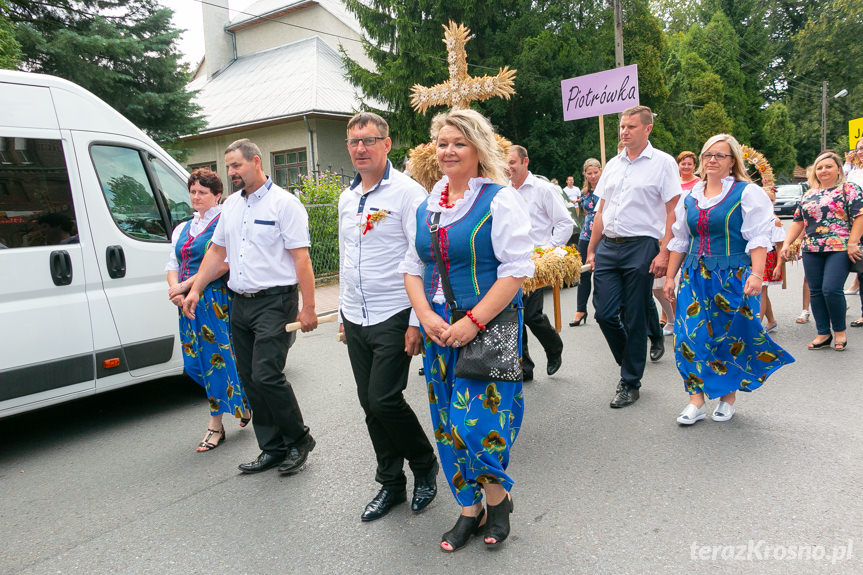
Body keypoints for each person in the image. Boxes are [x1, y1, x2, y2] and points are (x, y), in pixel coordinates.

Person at [400, 108, 534, 551]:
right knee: (446, 425)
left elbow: (516, 271)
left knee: (477, 424)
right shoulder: (428, 203)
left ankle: (497, 499)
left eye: (459, 142)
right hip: (440, 330)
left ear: (478, 149)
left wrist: (472, 322)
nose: (448, 151)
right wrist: (427, 318)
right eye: (442, 143)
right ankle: (469, 507)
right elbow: (412, 267)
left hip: (489, 325)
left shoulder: (498, 199)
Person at [183, 138, 319, 475]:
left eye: (236, 166)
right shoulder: (230, 206)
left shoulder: (284, 204)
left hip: (275, 301)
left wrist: (309, 308)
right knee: (249, 378)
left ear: (256, 162)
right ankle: (272, 447)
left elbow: (301, 259)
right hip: (238, 303)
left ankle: (299, 440)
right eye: (228, 167)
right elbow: (217, 253)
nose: (231, 172)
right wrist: (196, 288)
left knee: (267, 375)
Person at [337, 112, 439, 522]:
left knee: (383, 398)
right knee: (368, 402)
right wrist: (343, 315)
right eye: (354, 142)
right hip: (355, 313)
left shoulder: (409, 194)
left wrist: (418, 321)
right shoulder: (347, 197)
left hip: (394, 312)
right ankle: (391, 483)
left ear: (387, 144)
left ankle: (423, 463)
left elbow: (424, 259)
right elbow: (348, 257)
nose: (360, 148)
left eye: (369, 140)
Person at [664, 134, 794, 425]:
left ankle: (727, 396)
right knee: (689, 336)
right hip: (694, 274)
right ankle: (696, 400)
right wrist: (670, 277)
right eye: (707, 154)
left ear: (732, 161)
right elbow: (680, 240)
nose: (712, 159)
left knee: (728, 337)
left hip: (731, 276)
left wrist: (757, 274)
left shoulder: (746, 193)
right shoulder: (691, 196)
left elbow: (759, 237)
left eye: (719, 155)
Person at [585, 106, 681, 408]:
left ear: (647, 129)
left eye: (630, 126)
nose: (624, 131)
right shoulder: (613, 164)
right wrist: (592, 247)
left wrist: (664, 251)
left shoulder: (663, 163)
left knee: (635, 314)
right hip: (608, 246)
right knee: (603, 312)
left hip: (642, 245)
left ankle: (630, 381)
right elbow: (602, 209)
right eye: (622, 126)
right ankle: (631, 360)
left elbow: (673, 212)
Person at [166, 169, 250, 451]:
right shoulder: (182, 228)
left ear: (217, 196)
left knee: (215, 360)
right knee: (194, 365)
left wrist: (189, 286)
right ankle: (242, 401)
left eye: (203, 192)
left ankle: (215, 426)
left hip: (215, 300)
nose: (196, 197)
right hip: (187, 304)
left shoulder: (223, 222)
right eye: (193, 191)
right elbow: (172, 265)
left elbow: (223, 263)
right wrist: (176, 291)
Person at [779, 150, 863, 351]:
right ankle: (823, 333)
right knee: (815, 291)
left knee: (831, 289)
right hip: (812, 248)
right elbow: (798, 221)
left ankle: (840, 332)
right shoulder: (809, 194)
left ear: (838, 169)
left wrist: (853, 242)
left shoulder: (850, 189)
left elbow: (860, 216)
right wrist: (786, 244)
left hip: (839, 247)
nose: (823, 170)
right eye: (819, 167)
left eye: (828, 166)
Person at [506, 145, 574, 380]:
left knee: (532, 314)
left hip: (535, 262)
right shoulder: (502, 191)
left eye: (512, 162)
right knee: (514, 315)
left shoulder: (544, 189)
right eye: (505, 162)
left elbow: (565, 223)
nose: (508, 167)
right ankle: (524, 367)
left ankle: (554, 347)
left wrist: (548, 252)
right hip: (509, 261)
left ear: (526, 162)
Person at [570, 158, 601, 326]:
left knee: (601, 274)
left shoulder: (605, 190)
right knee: (583, 273)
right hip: (585, 235)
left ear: (601, 171)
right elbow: (586, 213)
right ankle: (580, 310)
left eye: (596, 172)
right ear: (585, 174)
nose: (593, 176)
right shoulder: (584, 192)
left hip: (602, 236)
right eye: (589, 173)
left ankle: (603, 309)